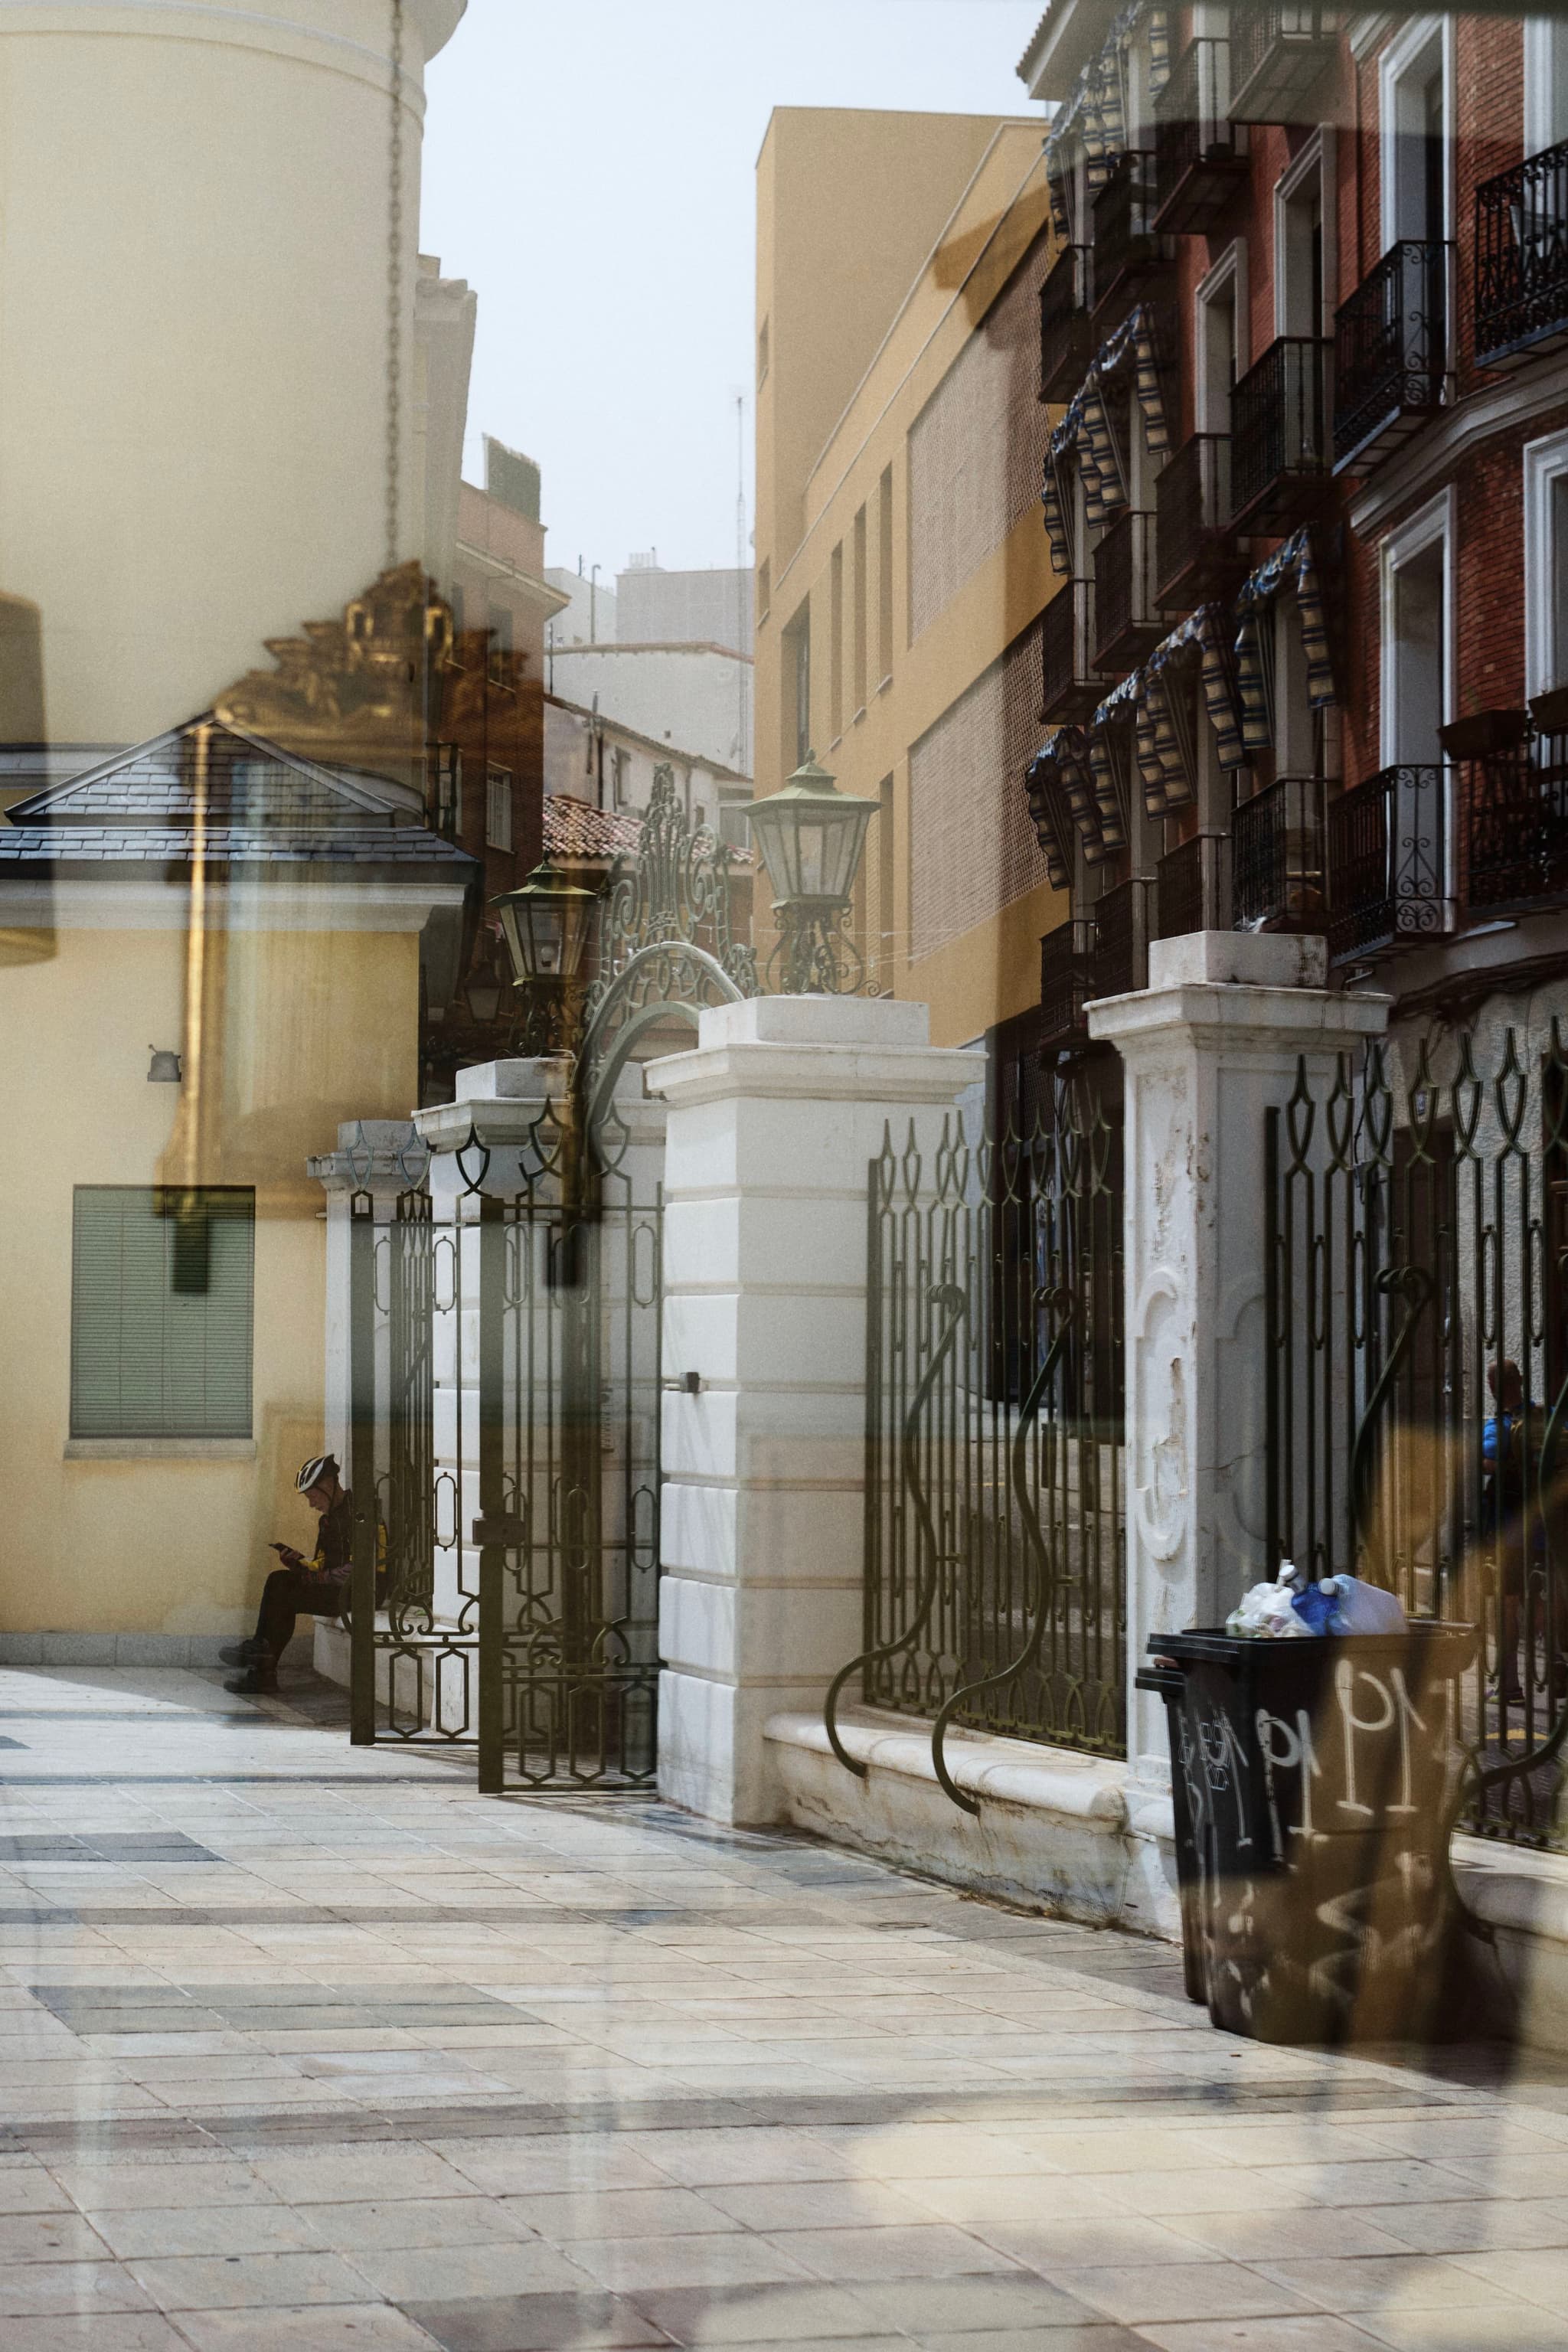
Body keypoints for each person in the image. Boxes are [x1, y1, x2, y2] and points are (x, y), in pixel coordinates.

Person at [222, 1455, 355, 1695]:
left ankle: (263, 1665)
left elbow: (360, 1569)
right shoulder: (327, 1521)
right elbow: (322, 1565)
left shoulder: (360, 1515)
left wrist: (317, 1578)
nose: (311, 1504)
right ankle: (261, 1654)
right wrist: (299, 1564)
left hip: (357, 1593)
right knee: (279, 1579)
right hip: (336, 1589)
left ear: (327, 1485)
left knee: (284, 1593)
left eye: (312, 1496)